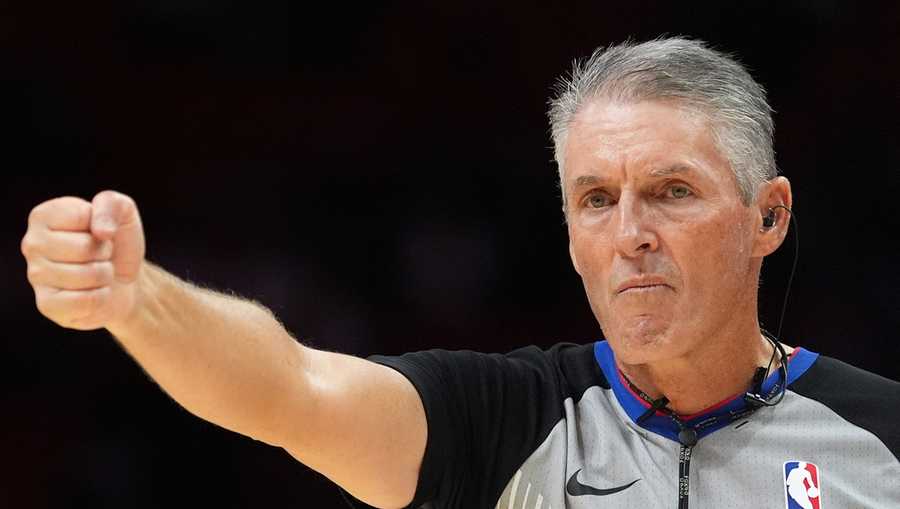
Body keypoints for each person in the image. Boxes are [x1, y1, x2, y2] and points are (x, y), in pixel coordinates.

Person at [20, 37, 899, 508]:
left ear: (769, 216)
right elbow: (290, 387)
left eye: (672, 191)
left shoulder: (883, 438)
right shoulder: (505, 421)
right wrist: (140, 302)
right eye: (596, 199)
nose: (630, 233)